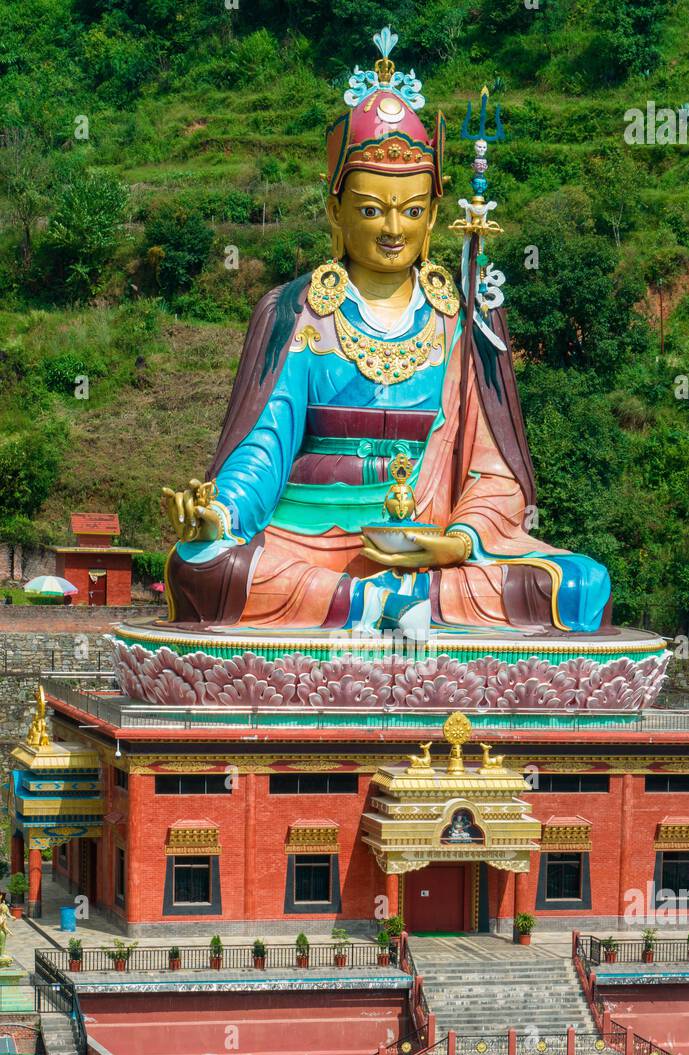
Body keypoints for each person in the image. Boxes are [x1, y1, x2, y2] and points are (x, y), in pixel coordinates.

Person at [161, 30, 612, 638]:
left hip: (430, 552)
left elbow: (492, 471)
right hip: (305, 543)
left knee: (581, 584)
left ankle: (374, 606)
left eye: (412, 209)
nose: (394, 228)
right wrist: (217, 512)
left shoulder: (463, 317)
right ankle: (368, 606)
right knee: (202, 566)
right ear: (335, 210)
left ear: (433, 210)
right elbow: (262, 450)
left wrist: (459, 541)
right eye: (373, 209)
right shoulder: (297, 311)